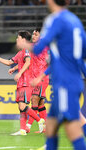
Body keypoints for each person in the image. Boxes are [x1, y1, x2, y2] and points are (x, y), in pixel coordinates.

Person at [16, 0, 86, 149]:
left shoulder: (55, 19)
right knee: (52, 124)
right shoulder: (75, 21)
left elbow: (40, 46)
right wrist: (42, 76)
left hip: (65, 82)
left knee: (72, 126)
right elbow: (80, 55)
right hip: (72, 80)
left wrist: (24, 45)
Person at [0, 30, 45, 136]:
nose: (16, 40)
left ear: (23, 39)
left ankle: (39, 120)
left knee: (23, 106)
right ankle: (23, 130)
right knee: (21, 108)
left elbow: (28, 62)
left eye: (18, 38)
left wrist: (19, 73)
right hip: (21, 83)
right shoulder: (20, 52)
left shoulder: (27, 51)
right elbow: (9, 62)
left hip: (26, 82)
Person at [9, 28, 49, 133]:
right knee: (40, 103)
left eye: (36, 34)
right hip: (34, 78)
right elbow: (26, 60)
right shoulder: (32, 47)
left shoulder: (44, 47)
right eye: (33, 34)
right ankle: (45, 127)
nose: (33, 36)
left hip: (41, 78)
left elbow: (49, 61)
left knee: (34, 100)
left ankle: (28, 126)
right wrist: (15, 68)